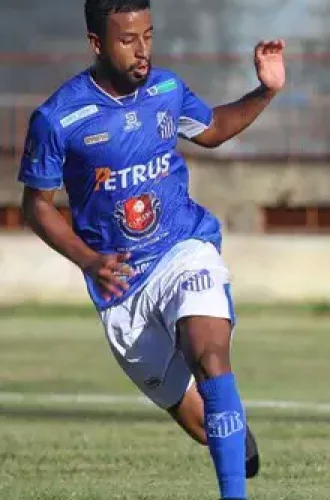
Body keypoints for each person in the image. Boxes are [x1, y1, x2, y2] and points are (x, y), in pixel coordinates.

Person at [18, 1, 286, 498]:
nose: (142, 52)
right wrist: (89, 260)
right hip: (120, 287)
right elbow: (36, 208)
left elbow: (213, 130)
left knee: (210, 358)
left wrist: (266, 90)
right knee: (208, 427)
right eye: (127, 41)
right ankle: (230, 435)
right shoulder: (59, 118)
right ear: (97, 43)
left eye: (148, 36)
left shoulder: (165, 89)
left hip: (183, 248)